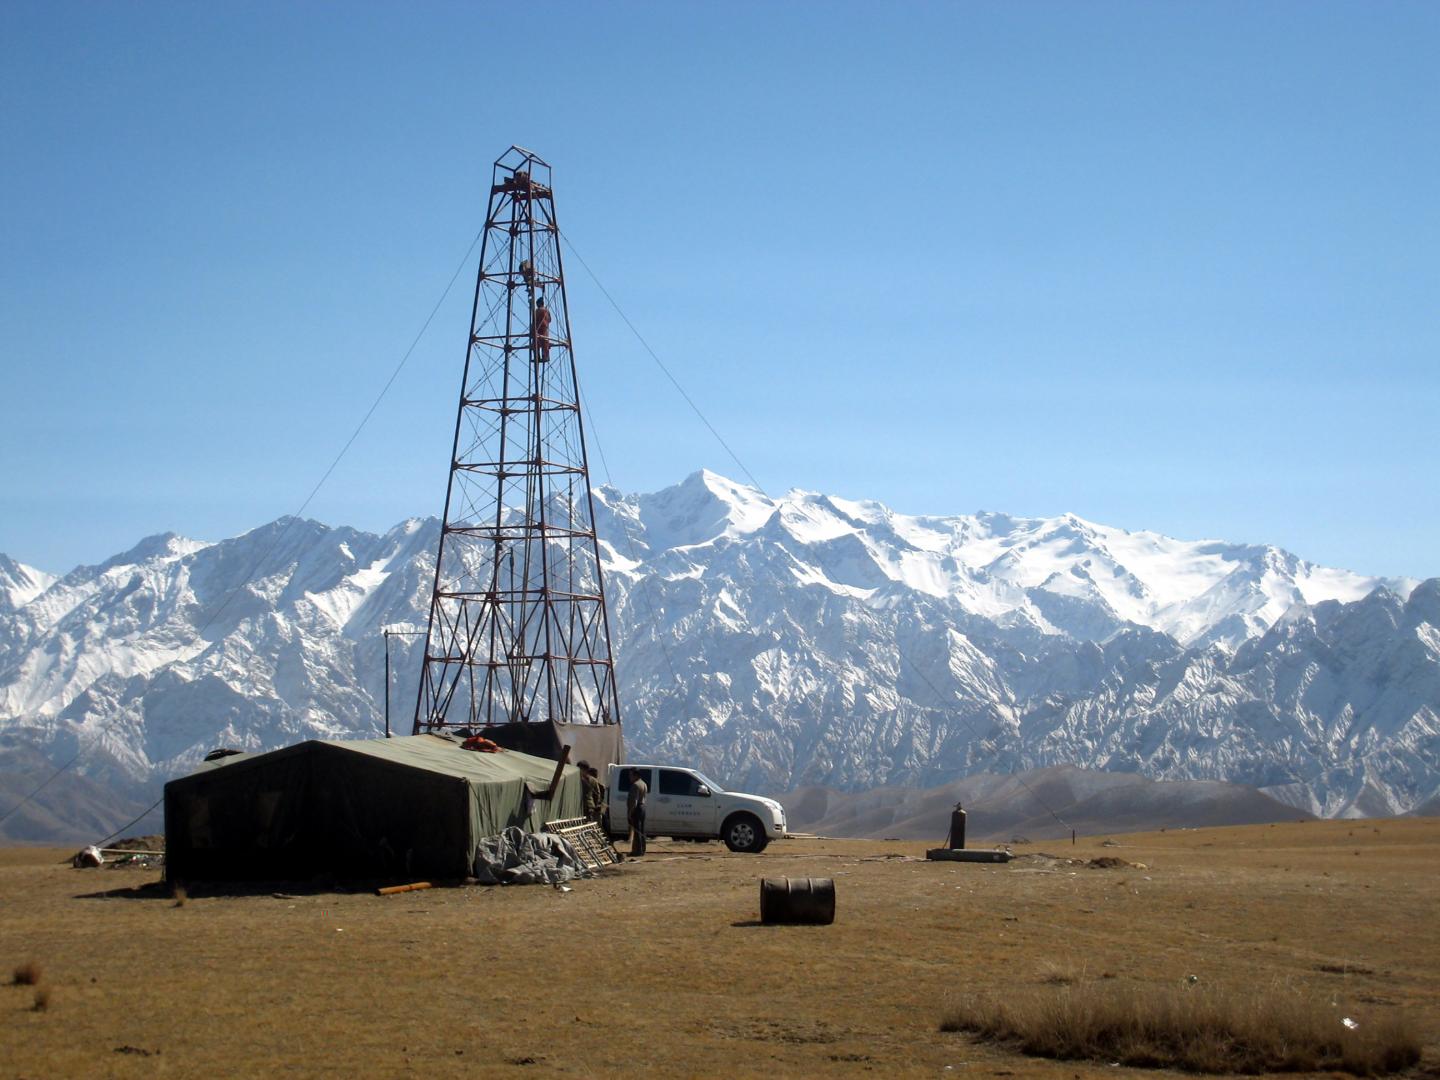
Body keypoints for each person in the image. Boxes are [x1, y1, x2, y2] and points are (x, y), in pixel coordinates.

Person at [626, 768, 648, 857]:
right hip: (643, 807)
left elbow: (634, 801)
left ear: (636, 775)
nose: (629, 777)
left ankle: (637, 851)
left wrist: (630, 813)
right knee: (641, 830)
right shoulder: (643, 783)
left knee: (637, 831)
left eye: (631, 775)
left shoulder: (635, 785)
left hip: (637, 808)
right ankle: (642, 849)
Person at [578, 760, 604, 826]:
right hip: (589, 806)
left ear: (584, 769)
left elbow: (597, 794)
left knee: (585, 824)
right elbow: (598, 795)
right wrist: (594, 805)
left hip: (583, 806)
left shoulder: (578, 779)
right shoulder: (594, 780)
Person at [532, 296, 552, 362]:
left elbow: (534, 320)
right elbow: (550, 320)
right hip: (544, 330)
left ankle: (537, 357)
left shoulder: (537, 311)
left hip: (538, 330)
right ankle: (545, 356)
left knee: (536, 345)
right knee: (545, 344)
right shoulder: (547, 311)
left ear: (540, 303)